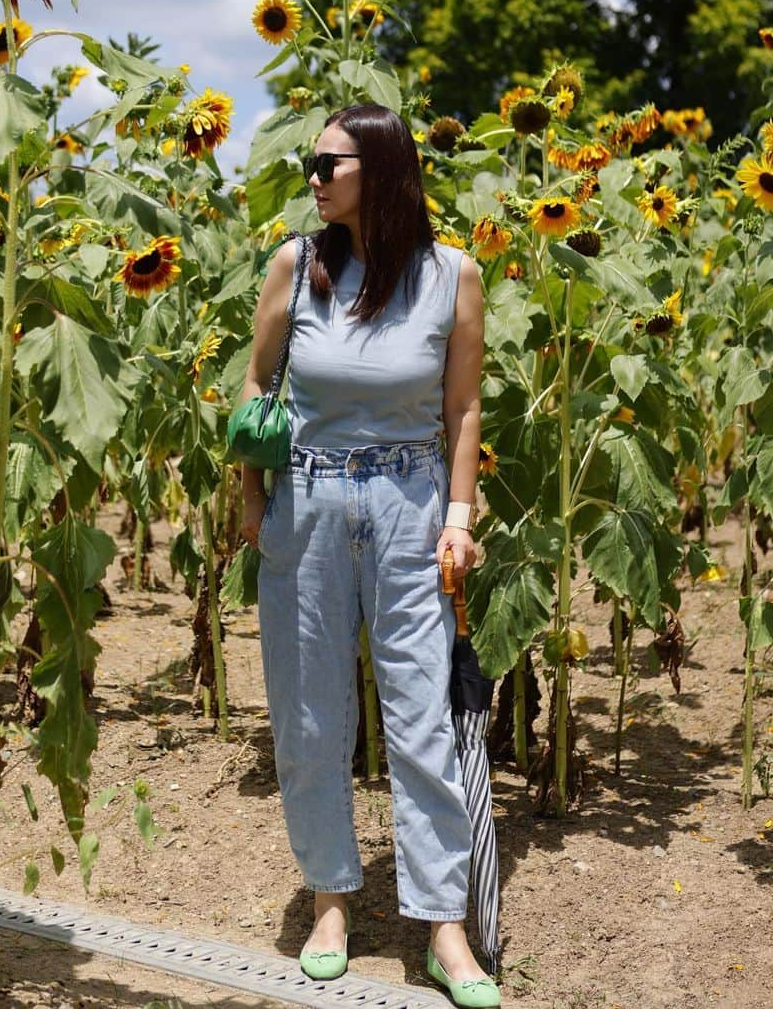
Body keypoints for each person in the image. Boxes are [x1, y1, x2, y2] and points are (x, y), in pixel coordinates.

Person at [238, 102, 500, 1007]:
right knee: (310, 714)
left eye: (328, 164)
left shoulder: (451, 277)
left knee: (419, 713)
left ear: (381, 171)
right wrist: (252, 498)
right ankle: (331, 903)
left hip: (410, 505)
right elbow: (256, 377)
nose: (312, 178)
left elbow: (462, 408)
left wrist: (460, 514)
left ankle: (444, 925)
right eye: (311, 164)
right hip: (306, 503)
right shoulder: (295, 264)